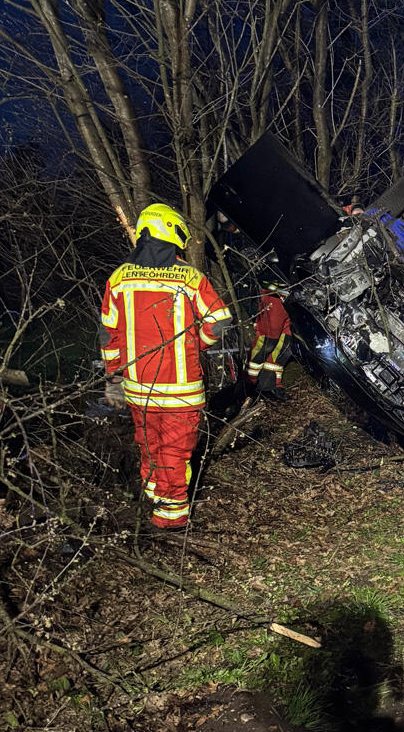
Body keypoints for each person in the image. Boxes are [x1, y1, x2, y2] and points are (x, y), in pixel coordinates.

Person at [100, 204, 232, 531]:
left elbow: (108, 334)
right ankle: (171, 521)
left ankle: (155, 504)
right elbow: (219, 320)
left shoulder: (118, 278)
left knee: (150, 449)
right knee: (174, 455)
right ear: (172, 233)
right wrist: (196, 345)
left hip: (137, 389)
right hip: (180, 391)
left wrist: (114, 376)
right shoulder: (189, 277)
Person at [246, 279, 293, 396]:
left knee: (285, 346)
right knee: (267, 343)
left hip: (296, 299)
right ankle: (248, 384)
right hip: (275, 295)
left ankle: (269, 384)